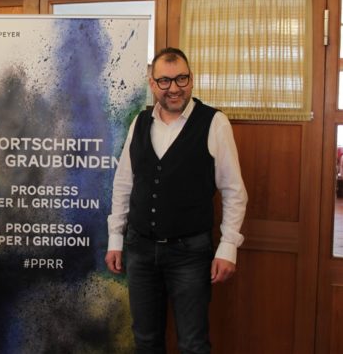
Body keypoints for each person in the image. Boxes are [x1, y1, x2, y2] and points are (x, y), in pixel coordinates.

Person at [105, 47, 247, 353]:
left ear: (191, 79)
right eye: (165, 81)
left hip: (190, 253)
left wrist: (228, 246)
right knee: (145, 340)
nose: (174, 88)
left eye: (181, 79)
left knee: (193, 344)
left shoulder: (214, 122)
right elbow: (124, 183)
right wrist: (115, 239)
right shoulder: (140, 122)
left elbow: (234, 190)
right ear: (152, 83)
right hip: (140, 249)